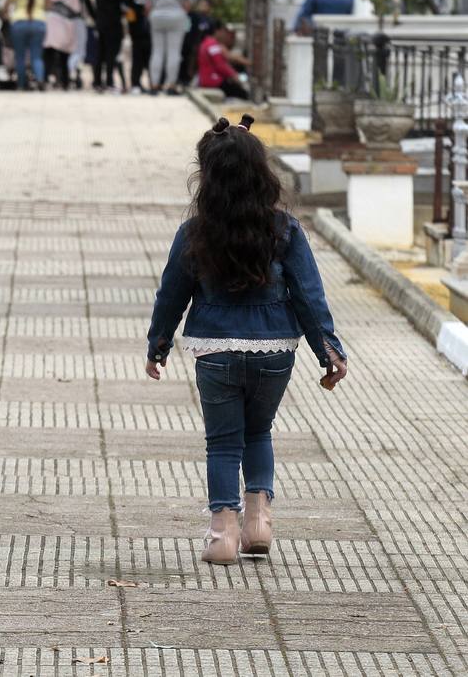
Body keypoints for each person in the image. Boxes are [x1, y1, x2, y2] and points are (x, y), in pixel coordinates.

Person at [145, 115, 347, 566]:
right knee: (259, 431)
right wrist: (329, 350)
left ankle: (222, 535)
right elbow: (309, 296)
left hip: (214, 348)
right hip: (275, 348)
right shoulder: (286, 230)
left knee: (222, 442)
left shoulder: (195, 232)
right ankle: (259, 526)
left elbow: (171, 295)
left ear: (207, 177)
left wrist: (158, 345)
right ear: (262, 172)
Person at [131, 0, 202, 94]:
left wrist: (147, 0)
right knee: (174, 52)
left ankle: (155, 84)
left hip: (156, 14)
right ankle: (171, 85)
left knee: (157, 51)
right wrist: (189, 2)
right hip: (176, 14)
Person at [92, 0, 133, 92]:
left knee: (100, 52)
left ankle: (97, 81)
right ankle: (109, 81)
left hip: (101, 20)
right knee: (111, 52)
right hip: (113, 21)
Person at [3, 0, 47, 90]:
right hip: (39, 22)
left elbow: (5, 6)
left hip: (19, 23)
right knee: (37, 55)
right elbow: (49, 4)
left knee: (20, 56)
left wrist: (6, 16)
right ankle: (39, 79)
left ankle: (21, 84)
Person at [42, 0, 83, 91]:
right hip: (66, 24)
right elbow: (77, 10)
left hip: (49, 22)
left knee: (48, 54)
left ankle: (45, 79)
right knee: (64, 56)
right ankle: (64, 82)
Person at [196, 20, 249, 99]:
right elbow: (220, 65)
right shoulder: (212, 45)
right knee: (244, 94)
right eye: (223, 31)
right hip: (213, 82)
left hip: (208, 80)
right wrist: (235, 76)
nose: (225, 34)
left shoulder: (208, 43)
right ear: (217, 31)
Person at [126, 0, 152, 92]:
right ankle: (135, 82)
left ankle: (153, 81)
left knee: (150, 53)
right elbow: (128, 5)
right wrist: (131, 23)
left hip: (151, 22)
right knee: (137, 54)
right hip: (137, 22)